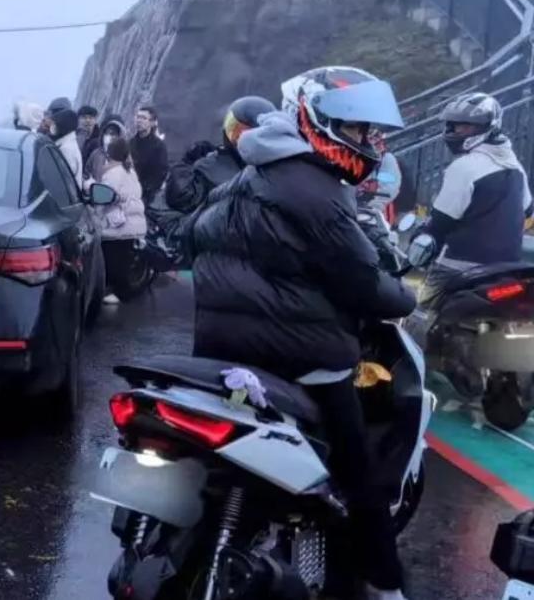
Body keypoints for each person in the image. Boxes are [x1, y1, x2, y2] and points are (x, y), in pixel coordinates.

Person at [182, 66, 413, 600]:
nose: (369, 141)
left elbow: (192, 236)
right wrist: (407, 298)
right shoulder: (318, 188)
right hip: (299, 356)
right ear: (318, 122)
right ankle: (384, 583)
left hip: (218, 351)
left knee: (215, 477)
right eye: (357, 129)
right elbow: (362, 282)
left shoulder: (252, 172)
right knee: (360, 479)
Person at [418, 92, 534, 304]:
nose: (456, 131)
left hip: (460, 266)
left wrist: (422, 237)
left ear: (487, 127)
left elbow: (442, 221)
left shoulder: (463, 167)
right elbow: (527, 209)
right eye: (454, 125)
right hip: (506, 269)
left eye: (466, 126)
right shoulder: (515, 166)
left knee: (422, 314)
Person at [165, 96, 275, 214]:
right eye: (232, 127)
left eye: (242, 134)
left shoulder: (212, 169)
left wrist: (187, 162)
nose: (239, 138)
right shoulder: (276, 170)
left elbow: (179, 198)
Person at [92, 137, 147, 304]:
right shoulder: (130, 170)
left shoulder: (112, 173)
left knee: (113, 262)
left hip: (117, 226)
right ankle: (121, 291)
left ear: (109, 153)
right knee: (123, 261)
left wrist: (95, 215)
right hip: (133, 225)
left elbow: (104, 196)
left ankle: (120, 294)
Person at [132, 106, 169, 204]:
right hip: (128, 192)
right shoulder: (129, 144)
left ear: (152, 123)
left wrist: (146, 190)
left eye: (143, 118)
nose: (139, 121)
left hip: (147, 197)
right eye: (138, 117)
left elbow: (161, 173)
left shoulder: (159, 146)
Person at [48, 105, 84, 186]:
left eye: (55, 124)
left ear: (63, 126)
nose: (52, 127)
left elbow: (61, 180)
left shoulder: (67, 149)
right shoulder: (66, 144)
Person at [85, 114, 128, 181]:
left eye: (113, 134)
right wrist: (88, 182)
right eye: (106, 133)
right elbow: (86, 173)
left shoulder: (126, 158)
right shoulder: (96, 154)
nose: (108, 137)